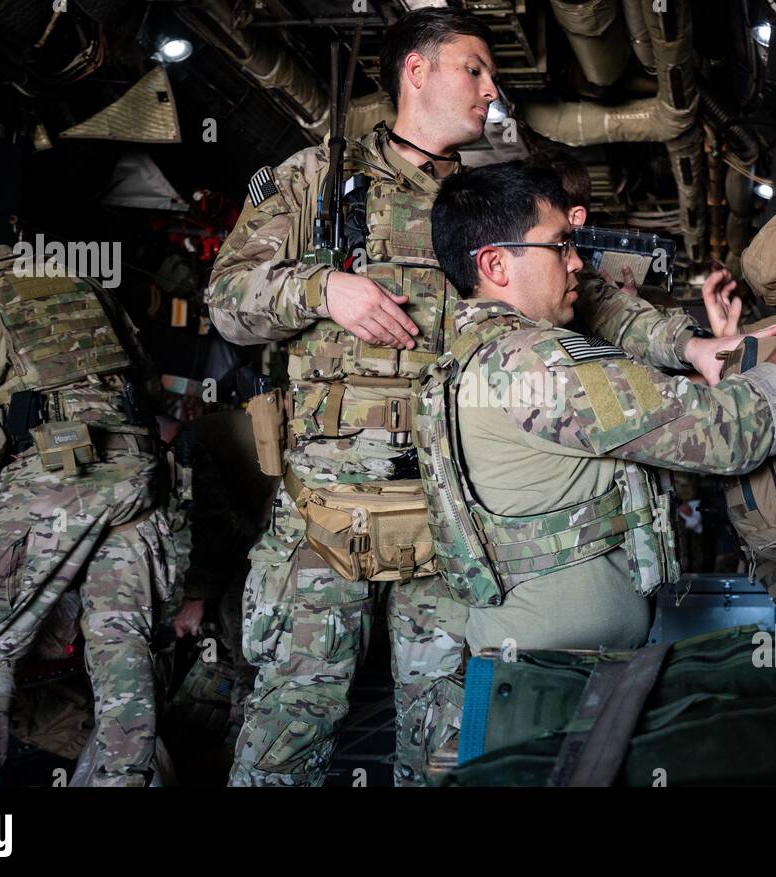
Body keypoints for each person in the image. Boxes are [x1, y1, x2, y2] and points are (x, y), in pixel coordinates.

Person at [206, 7, 741, 786]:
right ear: (415, 71)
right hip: (327, 515)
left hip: (452, 519)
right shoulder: (317, 178)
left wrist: (685, 343)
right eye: (476, 69)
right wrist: (325, 288)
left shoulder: (492, 194)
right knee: (288, 727)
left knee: (448, 741)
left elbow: (581, 294)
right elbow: (226, 299)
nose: (492, 89)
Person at [428, 161, 776, 651]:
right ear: (495, 265)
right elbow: (729, 433)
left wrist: (700, 349)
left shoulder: (482, 356)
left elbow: (621, 359)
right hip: (550, 683)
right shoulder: (533, 366)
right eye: (559, 245)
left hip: (553, 669)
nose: (576, 262)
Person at [0, 204, 179, 786]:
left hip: (56, 472)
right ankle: (123, 780)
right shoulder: (76, 280)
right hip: (137, 469)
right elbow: (145, 384)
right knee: (123, 643)